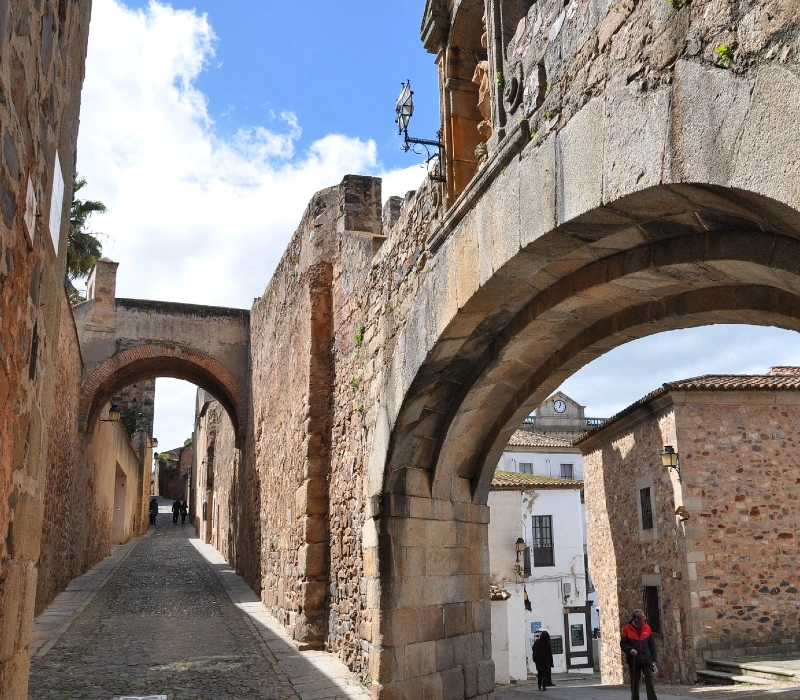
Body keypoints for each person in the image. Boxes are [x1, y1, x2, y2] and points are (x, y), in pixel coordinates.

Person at [621, 609, 658, 700]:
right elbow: (623, 644)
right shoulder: (627, 629)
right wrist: (630, 650)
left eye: (644, 617)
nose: (644, 619)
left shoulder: (647, 628)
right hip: (634, 660)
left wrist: (654, 659)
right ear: (636, 619)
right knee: (634, 682)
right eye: (642, 618)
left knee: (649, 680)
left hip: (647, 659)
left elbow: (652, 645)